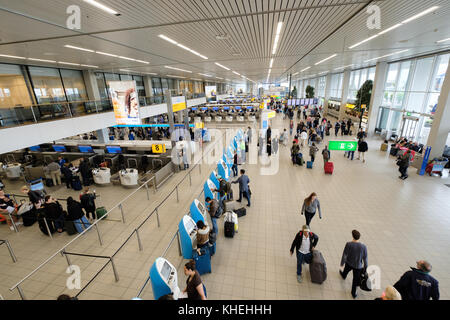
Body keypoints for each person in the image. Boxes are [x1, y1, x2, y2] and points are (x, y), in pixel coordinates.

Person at [339, 230, 368, 299]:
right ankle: (353, 293)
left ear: (352, 236)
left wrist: (342, 263)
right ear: (359, 237)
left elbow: (345, 255)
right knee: (355, 280)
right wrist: (365, 267)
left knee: (346, 270)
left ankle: (343, 275)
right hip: (358, 266)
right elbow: (365, 258)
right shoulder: (363, 246)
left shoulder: (349, 244)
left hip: (349, 263)